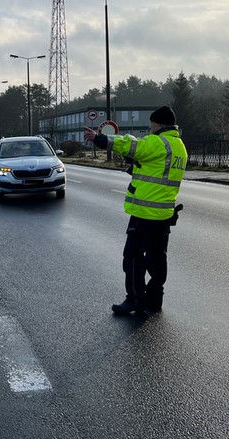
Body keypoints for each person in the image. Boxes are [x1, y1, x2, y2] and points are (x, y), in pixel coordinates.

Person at [83, 106, 187, 316]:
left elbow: (131, 144)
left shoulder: (158, 142)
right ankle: (155, 298)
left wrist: (99, 138)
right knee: (157, 257)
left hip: (144, 213)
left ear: (158, 124)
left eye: (151, 124)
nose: (150, 128)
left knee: (132, 257)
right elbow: (157, 170)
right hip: (164, 214)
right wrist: (137, 165)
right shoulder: (179, 146)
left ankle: (134, 300)